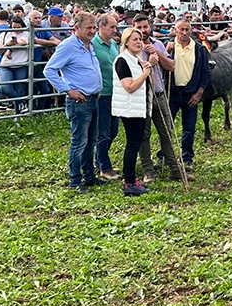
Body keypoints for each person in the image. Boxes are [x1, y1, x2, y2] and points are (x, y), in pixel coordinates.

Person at [43, 12, 105, 193]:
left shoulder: (89, 44)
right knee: (79, 141)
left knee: (91, 139)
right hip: (79, 101)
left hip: (93, 97)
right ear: (76, 28)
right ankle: (75, 179)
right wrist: (68, 89)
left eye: (94, 27)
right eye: (89, 28)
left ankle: (89, 176)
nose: (92, 31)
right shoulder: (68, 46)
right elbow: (50, 70)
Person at [132, 14, 192, 182]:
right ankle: (148, 170)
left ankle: (174, 168)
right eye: (139, 27)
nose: (143, 31)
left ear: (150, 27)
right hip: (141, 97)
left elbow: (171, 66)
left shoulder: (158, 44)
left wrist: (157, 53)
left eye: (145, 27)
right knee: (144, 135)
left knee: (166, 132)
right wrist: (149, 61)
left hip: (159, 95)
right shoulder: (130, 48)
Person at [112, 27, 153, 196]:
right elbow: (129, 86)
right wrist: (145, 73)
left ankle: (130, 179)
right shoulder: (122, 60)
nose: (138, 42)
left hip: (137, 107)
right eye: (134, 39)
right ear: (126, 42)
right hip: (129, 109)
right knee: (133, 144)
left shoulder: (135, 59)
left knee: (135, 143)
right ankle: (128, 182)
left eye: (140, 39)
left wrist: (146, 69)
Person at [166, 19, 210, 172]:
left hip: (191, 93)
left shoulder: (199, 49)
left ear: (191, 31)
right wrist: (166, 51)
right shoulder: (169, 47)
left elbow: (205, 73)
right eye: (181, 30)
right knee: (167, 127)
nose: (184, 33)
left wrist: (199, 93)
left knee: (189, 129)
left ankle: (187, 158)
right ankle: (164, 156)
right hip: (172, 93)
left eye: (187, 30)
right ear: (175, 30)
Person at [93, 14, 121, 180]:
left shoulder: (113, 45)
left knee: (113, 131)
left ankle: (100, 160)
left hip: (115, 92)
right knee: (103, 133)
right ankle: (104, 167)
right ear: (101, 26)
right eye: (111, 27)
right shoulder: (93, 45)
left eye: (115, 27)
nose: (114, 30)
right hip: (102, 94)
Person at [0, 16, 30, 114]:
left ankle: (17, 115)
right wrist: (7, 45)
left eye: (19, 28)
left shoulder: (27, 33)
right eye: (14, 27)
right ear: (10, 25)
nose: (17, 30)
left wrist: (11, 47)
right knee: (5, 88)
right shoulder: (4, 34)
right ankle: (22, 102)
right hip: (6, 65)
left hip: (21, 65)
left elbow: (23, 43)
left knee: (19, 90)